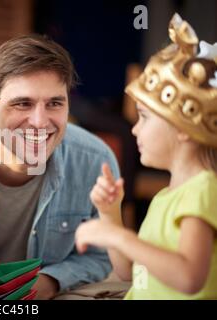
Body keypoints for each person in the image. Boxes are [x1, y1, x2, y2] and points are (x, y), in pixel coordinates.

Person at [0, 34, 120, 299]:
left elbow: (101, 257)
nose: (40, 122)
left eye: (54, 103)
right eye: (23, 103)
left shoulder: (95, 160)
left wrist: (49, 282)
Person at [75, 14, 217, 299]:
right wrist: (111, 214)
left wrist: (118, 236)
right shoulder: (168, 195)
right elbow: (130, 272)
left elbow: (189, 277)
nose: (135, 129)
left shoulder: (203, 190)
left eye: (144, 117)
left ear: (183, 128)